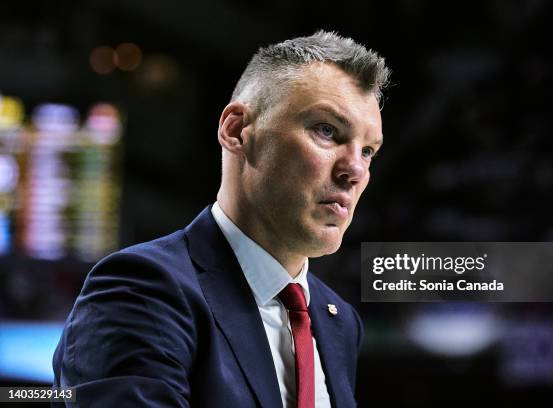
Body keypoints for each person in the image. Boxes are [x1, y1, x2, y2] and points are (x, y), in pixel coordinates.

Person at [52, 30, 390, 408]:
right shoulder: (142, 290)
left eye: (367, 150)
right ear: (236, 130)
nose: (354, 170)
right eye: (327, 131)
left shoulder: (340, 321)